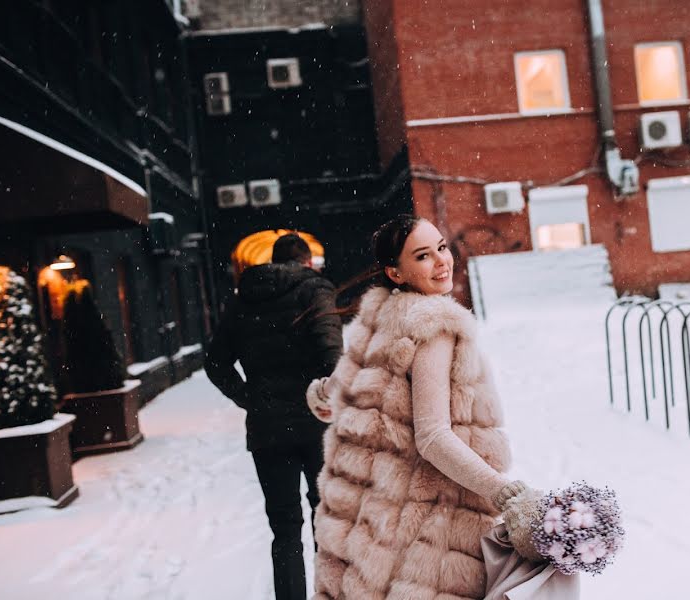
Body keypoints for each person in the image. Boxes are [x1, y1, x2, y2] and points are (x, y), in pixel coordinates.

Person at [308, 216, 579, 599]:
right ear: (395, 273)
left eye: (441, 247)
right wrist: (506, 493)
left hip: (366, 523)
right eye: (423, 255)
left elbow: (338, 390)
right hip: (425, 525)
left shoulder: (378, 318)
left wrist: (319, 394)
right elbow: (433, 437)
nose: (441, 261)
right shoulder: (435, 326)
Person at [205, 233, 342, 600]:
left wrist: (250, 397)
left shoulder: (243, 299)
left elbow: (215, 363)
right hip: (318, 427)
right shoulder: (315, 290)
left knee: (284, 530)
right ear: (307, 261)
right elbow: (334, 361)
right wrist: (325, 399)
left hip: (267, 430)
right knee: (327, 522)